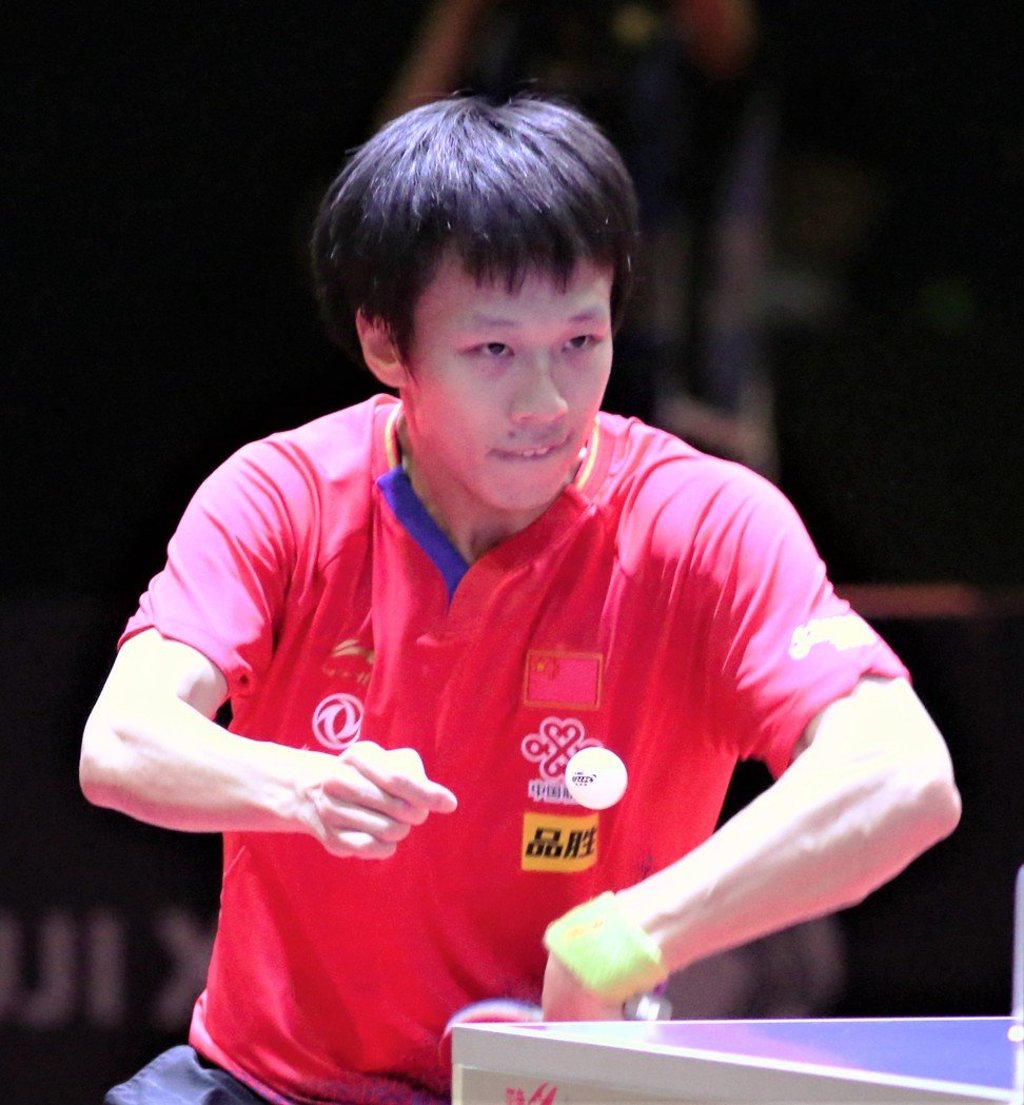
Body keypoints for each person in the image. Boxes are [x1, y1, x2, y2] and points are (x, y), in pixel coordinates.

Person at [80, 93, 961, 1105]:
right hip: (268, 1087)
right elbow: (122, 744)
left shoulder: (702, 524)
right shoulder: (279, 496)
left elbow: (902, 777)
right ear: (385, 343)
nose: (546, 401)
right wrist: (302, 788)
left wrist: (623, 937)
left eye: (580, 342)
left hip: (559, 1093)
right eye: (493, 351)